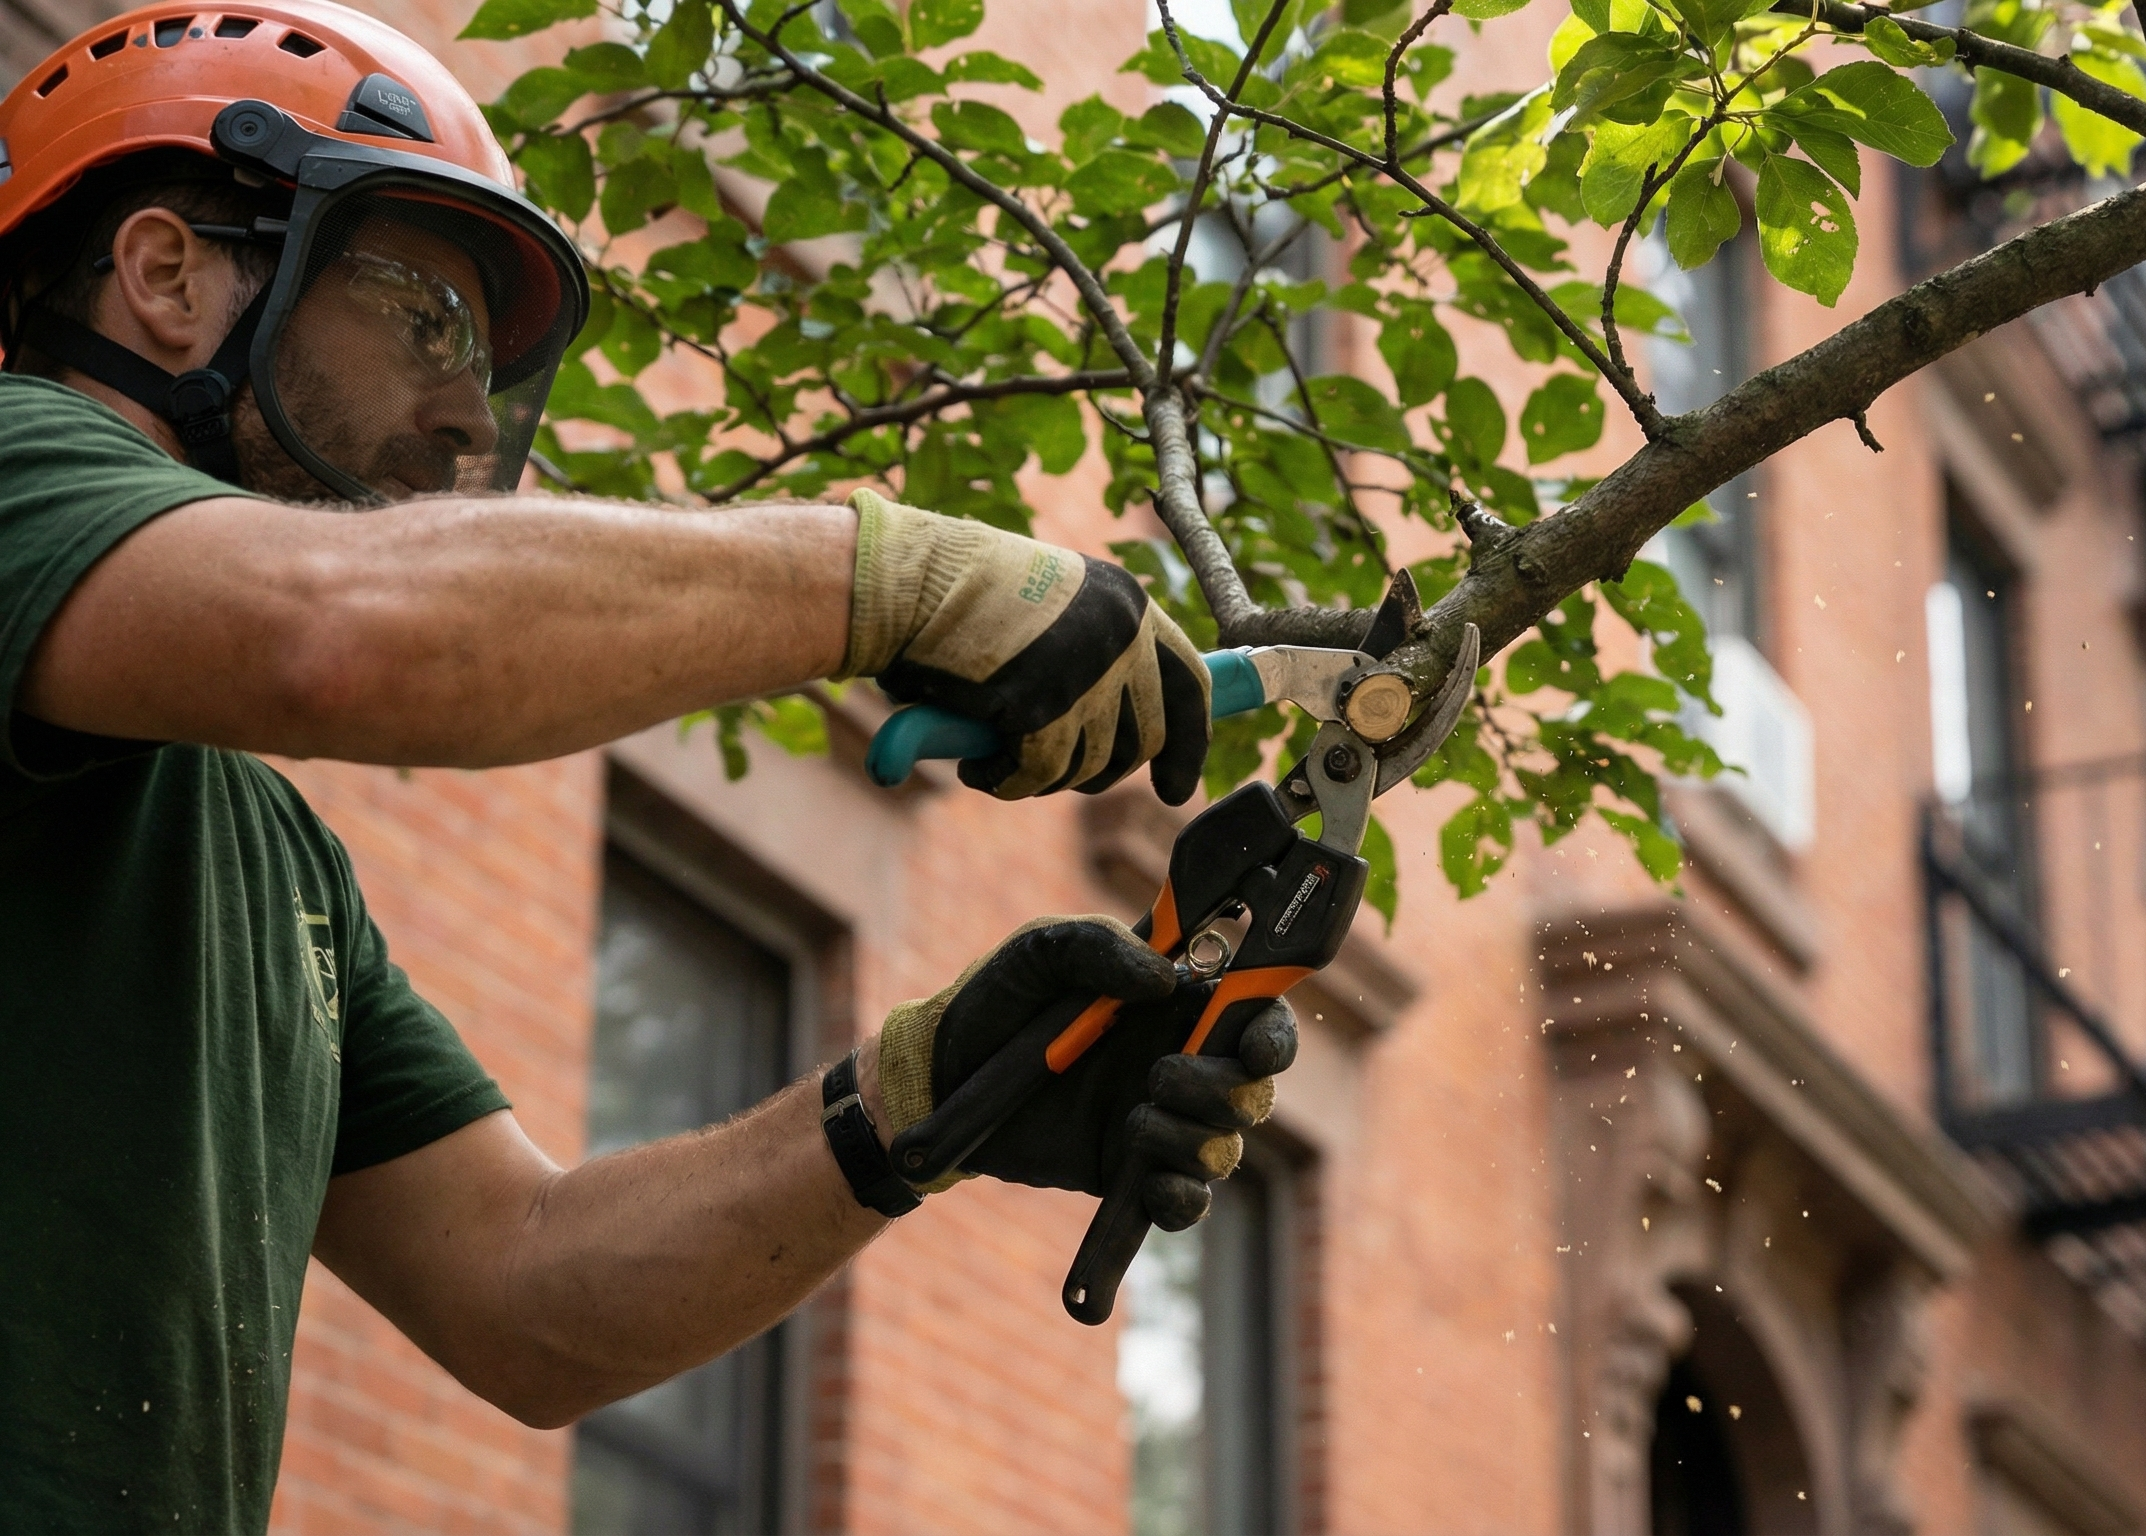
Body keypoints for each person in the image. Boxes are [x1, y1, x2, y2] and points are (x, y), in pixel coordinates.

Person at [0, 3, 1292, 1529]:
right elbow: (336, 634)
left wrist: (923, 1101)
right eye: (428, 318)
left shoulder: (273, 865)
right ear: (167, 273)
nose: (471, 413)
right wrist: (889, 576)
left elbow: (528, 1290)